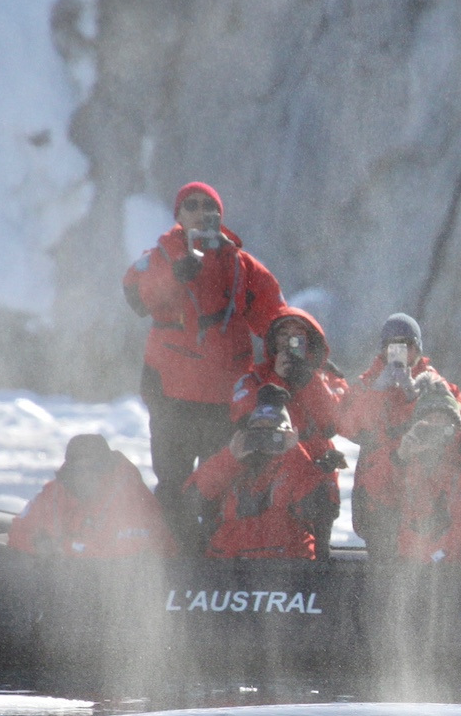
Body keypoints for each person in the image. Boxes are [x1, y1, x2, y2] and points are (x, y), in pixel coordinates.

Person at [122, 181, 284, 513]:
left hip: (225, 399)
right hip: (171, 395)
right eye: (192, 205)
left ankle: (215, 557)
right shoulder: (160, 258)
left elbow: (277, 319)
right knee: (172, 483)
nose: (202, 213)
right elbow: (136, 297)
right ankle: (172, 554)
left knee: (221, 487)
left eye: (210, 207)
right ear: (178, 215)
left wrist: (306, 352)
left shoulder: (241, 266)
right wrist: (174, 276)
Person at [336, 313, 461, 550]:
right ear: (382, 350)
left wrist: (413, 395)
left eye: (406, 345)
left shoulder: (434, 382)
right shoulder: (368, 384)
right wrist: (379, 390)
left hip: (420, 498)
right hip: (377, 499)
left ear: (418, 348)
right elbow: (346, 426)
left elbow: (456, 426)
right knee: (379, 572)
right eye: (392, 346)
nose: (399, 352)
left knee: (418, 567)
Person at [229, 306, 348, 548]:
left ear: (310, 341)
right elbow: (243, 416)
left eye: (297, 336)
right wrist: (277, 379)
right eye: (284, 335)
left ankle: (318, 572)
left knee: (316, 541)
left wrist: (307, 380)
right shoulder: (256, 376)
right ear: (273, 341)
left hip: (315, 478)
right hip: (268, 470)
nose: (290, 342)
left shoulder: (327, 378)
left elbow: (334, 423)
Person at [187, 388, 334, 561]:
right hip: (228, 567)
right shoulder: (231, 465)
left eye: (272, 434)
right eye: (257, 434)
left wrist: (294, 454)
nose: (264, 441)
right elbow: (192, 499)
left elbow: (315, 508)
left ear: (288, 435)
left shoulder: (299, 465)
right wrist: (230, 458)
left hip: (284, 566)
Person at [9, 433, 174, 559]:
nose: (85, 475)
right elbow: (19, 530)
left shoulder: (130, 497)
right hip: (63, 585)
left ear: (106, 467)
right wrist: (36, 545)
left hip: (120, 589)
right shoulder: (54, 493)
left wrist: (63, 549)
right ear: (69, 467)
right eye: (78, 468)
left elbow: (128, 556)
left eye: (93, 468)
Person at [394, 376, 461, 565]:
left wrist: (434, 557)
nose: (435, 426)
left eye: (442, 418)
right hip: (417, 561)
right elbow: (390, 509)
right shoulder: (413, 457)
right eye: (428, 420)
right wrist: (401, 458)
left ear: (455, 424)